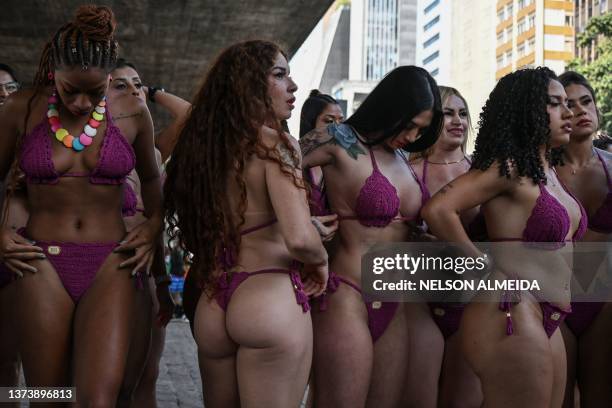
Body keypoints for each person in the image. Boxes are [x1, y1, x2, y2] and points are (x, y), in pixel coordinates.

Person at [0, 5, 162, 405]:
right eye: (71, 90)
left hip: (112, 261)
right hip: (39, 261)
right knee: (48, 395)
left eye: (97, 90)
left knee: (97, 399)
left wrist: (154, 226)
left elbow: (155, 177)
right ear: (53, 72)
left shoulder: (133, 113)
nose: (83, 103)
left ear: (110, 79)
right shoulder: (22, 107)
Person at [164, 39, 329, 407]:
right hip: (267, 297)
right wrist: (320, 260)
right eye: (280, 75)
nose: (294, 86)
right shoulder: (276, 145)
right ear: (250, 84)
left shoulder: (205, 151)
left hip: (213, 302)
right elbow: (300, 238)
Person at [423, 67, 583, 407]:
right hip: (511, 311)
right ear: (528, 110)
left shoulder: (548, 171)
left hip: (549, 315)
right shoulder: (508, 167)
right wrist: (480, 263)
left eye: (567, 104)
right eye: (555, 104)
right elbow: (438, 210)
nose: (567, 113)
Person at [300, 65, 444, 407]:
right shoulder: (339, 139)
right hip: (347, 296)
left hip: (395, 303)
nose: (411, 136)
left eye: (420, 129)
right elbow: (267, 164)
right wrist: (301, 222)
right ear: (389, 107)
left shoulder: (402, 158)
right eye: (408, 124)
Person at [107, 57, 187, 407]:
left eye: (137, 83)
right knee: (86, 381)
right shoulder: (81, 147)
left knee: (145, 375)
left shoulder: (152, 151)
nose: (133, 90)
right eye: (120, 85)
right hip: (97, 267)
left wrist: (151, 94)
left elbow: (190, 116)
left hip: (146, 271)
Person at [409, 85, 483, 407]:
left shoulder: (484, 172)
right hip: (416, 304)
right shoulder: (406, 172)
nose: (458, 120)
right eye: (447, 113)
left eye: (463, 113)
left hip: (472, 304)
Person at [553, 71, 612, 407]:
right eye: (569, 105)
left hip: (603, 299)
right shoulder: (539, 170)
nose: (580, 111)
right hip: (553, 296)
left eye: (586, 101)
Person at [0, 63, 23, 398]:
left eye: (10, 87)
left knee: (7, 367)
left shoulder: (33, 145)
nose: (4, 95)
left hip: (14, 265)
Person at [299, 89, 343, 216]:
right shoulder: (292, 159)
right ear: (311, 122)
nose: (337, 128)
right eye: (329, 121)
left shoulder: (344, 162)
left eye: (341, 121)